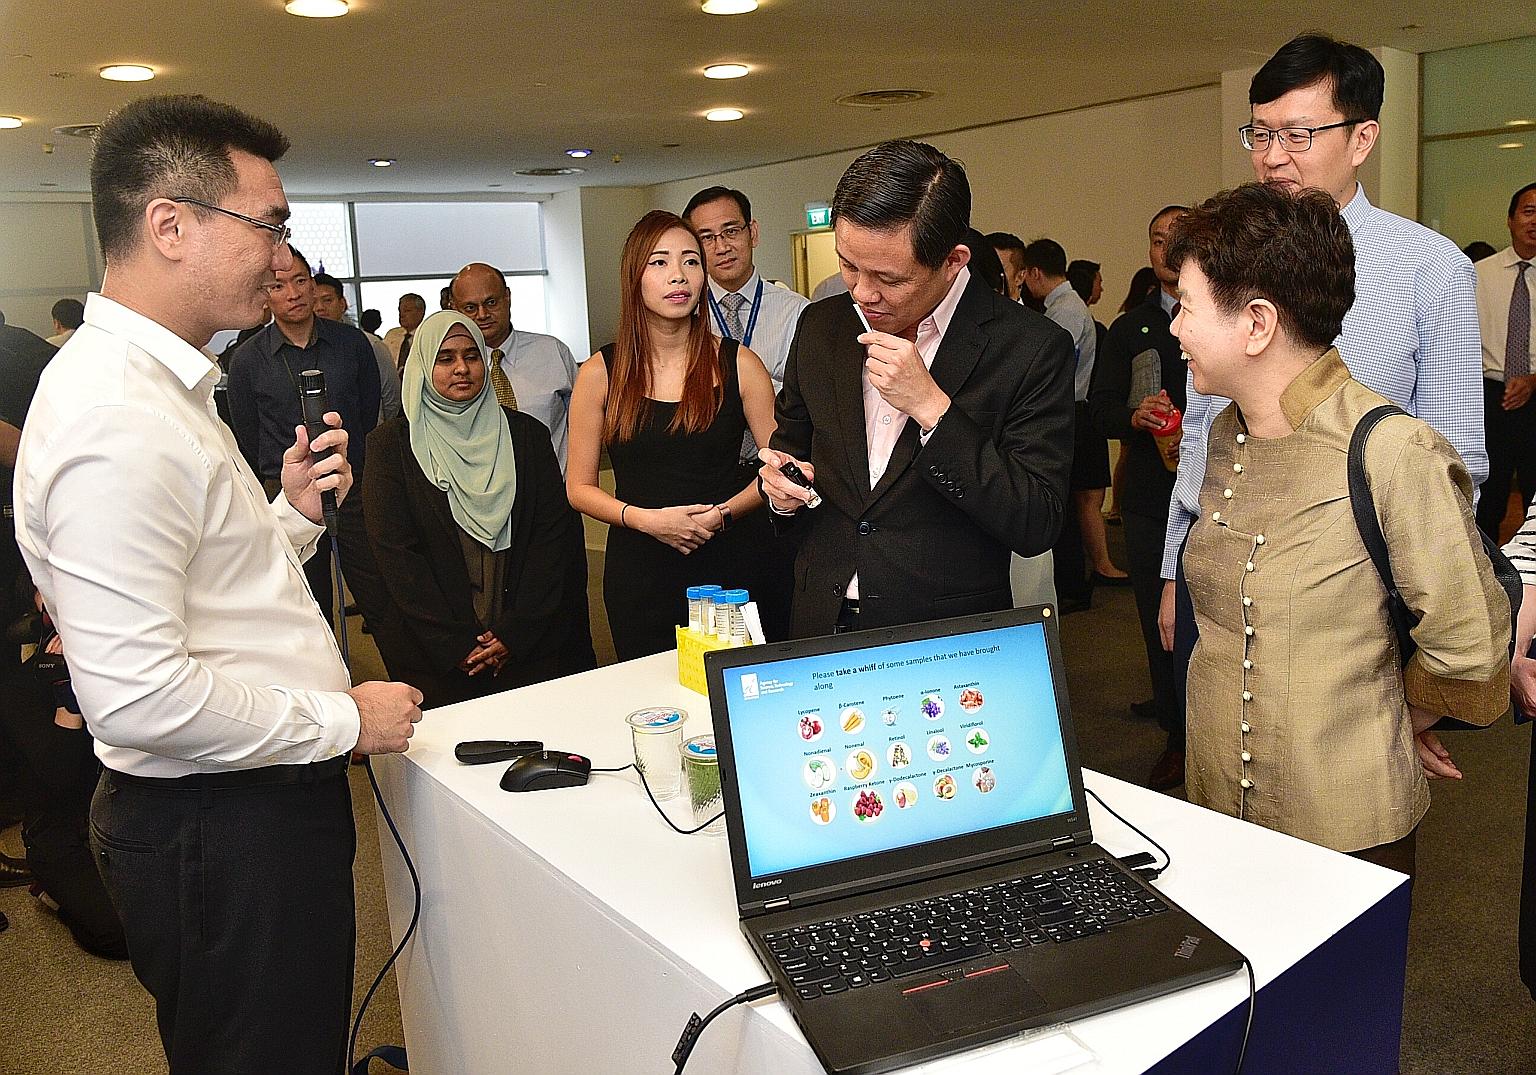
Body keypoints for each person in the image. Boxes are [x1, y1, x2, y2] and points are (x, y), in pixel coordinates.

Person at [11, 93, 422, 1074]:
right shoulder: (119, 415)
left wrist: (290, 514)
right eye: (268, 224)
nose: (285, 256)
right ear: (170, 225)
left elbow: (204, 584)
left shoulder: (163, 385)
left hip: (242, 804)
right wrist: (346, 719)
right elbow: (141, 698)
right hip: (221, 825)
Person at [1158, 34, 1488, 788]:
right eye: (1260, 135)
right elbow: (1204, 432)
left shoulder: (1428, 267)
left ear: (1362, 139)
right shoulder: (1230, 254)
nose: (1273, 157)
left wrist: (1418, 672)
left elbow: (1457, 458)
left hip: (1349, 600)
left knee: (1339, 790)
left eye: (1298, 135)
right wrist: (1176, 565)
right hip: (1221, 572)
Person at [1171, 181, 1508, 877]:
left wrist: (1394, 718)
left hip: (1344, 829)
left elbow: (1469, 639)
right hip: (1217, 808)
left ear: (1257, 324)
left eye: (1187, 306)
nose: (1175, 328)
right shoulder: (1228, 432)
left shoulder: (1390, 449)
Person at [759, 140, 1074, 637]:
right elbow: (790, 451)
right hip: (822, 617)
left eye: (889, 278)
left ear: (953, 260)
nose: (862, 292)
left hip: (945, 636)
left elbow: (1036, 521)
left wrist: (933, 410)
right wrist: (780, 492)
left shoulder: (1029, 347)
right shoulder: (822, 326)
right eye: (849, 265)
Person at [567, 210, 777, 660]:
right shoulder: (600, 372)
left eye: (690, 261)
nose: (678, 275)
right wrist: (647, 521)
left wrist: (722, 515)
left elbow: (780, 470)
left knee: (731, 687)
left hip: (729, 563)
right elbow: (579, 487)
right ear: (634, 277)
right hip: (640, 569)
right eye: (659, 262)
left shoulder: (741, 364)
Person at [364, 312, 594, 707]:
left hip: (527, 642)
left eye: (472, 356)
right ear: (422, 366)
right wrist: (454, 644)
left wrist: (514, 633)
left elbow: (551, 541)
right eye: (445, 358)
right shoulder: (391, 446)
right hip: (437, 652)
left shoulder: (526, 436)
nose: (461, 368)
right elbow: (397, 556)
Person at [226, 248, 390, 640]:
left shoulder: (352, 343)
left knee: (380, 592)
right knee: (306, 603)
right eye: (278, 286)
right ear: (265, 294)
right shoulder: (248, 359)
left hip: (352, 485)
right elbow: (247, 432)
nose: (293, 293)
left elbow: (367, 412)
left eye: (301, 281)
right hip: (287, 496)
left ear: (314, 286)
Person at [1088, 206, 1190, 790]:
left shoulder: (1226, 312)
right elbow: (1099, 409)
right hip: (1153, 496)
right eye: (1157, 239)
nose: (1166, 248)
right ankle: (1175, 731)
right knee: (1159, 616)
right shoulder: (1130, 329)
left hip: (1218, 493)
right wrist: (1134, 415)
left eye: (1179, 238)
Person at [683, 187, 811, 642]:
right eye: (706, 237)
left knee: (780, 618)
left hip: (780, 488)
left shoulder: (798, 313)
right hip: (708, 486)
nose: (721, 246)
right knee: (712, 626)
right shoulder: (684, 316)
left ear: (752, 232)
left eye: (731, 231)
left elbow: (811, 402)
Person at [1022, 238, 1127, 608]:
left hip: (1071, 411)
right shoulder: (1065, 306)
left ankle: (1072, 587)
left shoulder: (1066, 309)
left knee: (1067, 504)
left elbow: (1051, 368)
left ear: (1035, 272)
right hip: (1073, 409)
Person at [450, 262, 580, 475]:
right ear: (455, 308)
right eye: (470, 308)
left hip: (554, 488)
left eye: (491, 302)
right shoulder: (451, 371)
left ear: (507, 297)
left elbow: (585, 426)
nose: (482, 314)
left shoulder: (553, 352)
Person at [1474, 182, 1536, 540]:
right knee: (1488, 496)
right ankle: (1486, 568)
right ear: (1510, 219)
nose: (1535, 221)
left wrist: (1533, 381)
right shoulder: (1478, 274)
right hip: (1488, 397)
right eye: (1528, 211)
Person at [312, 271, 402, 422]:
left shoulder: (369, 343)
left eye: (327, 300)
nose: (320, 308)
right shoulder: (304, 347)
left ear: (342, 304)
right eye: (313, 301)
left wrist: (379, 430)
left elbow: (391, 396)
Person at [384, 291, 426, 369]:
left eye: (407, 311)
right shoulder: (392, 335)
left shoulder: (428, 335)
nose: (401, 315)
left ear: (421, 312)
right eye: (400, 311)